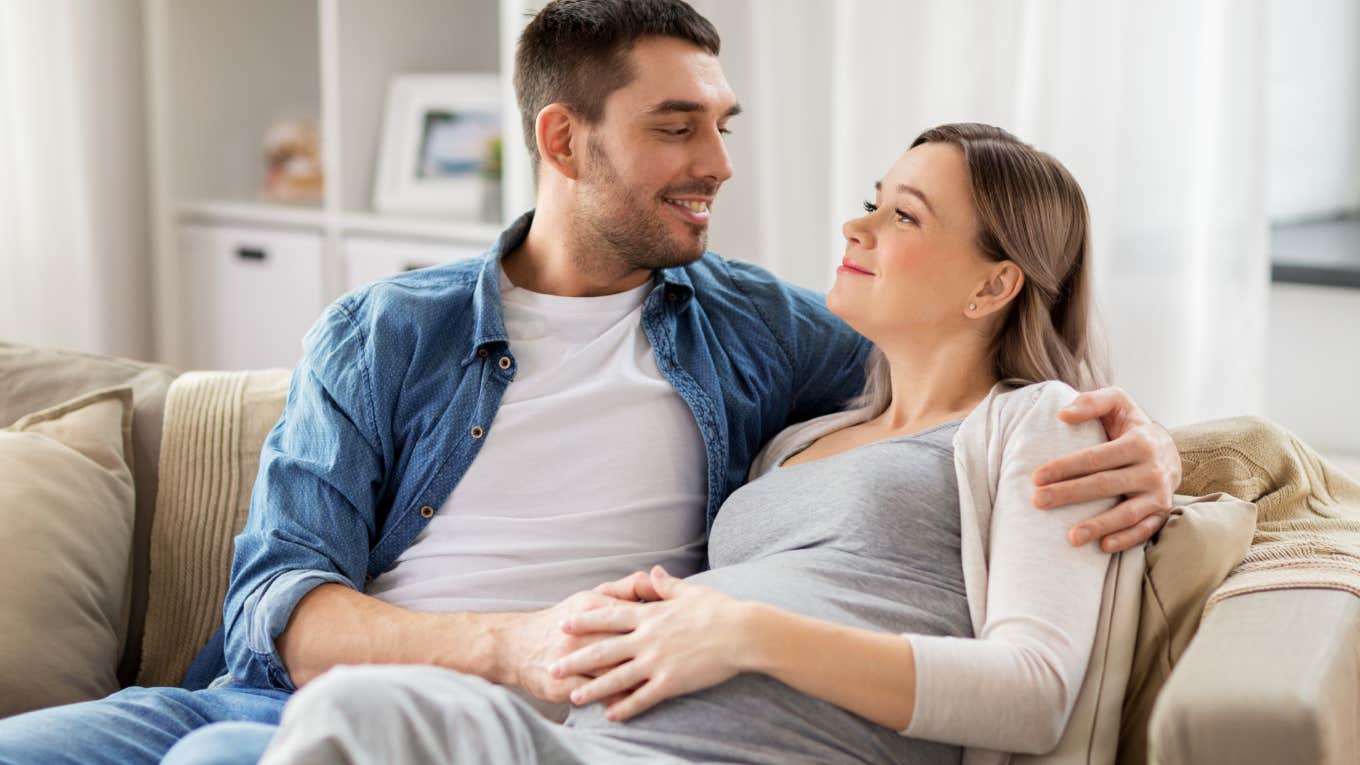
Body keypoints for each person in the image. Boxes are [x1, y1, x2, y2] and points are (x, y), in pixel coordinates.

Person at [0, 3, 1178, 764]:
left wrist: (1156, 448)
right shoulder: (385, 330)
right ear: (564, 142)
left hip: (548, 729)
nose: (719, 164)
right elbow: (274, 607)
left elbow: (986, 385)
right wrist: (514, 643)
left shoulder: (764, 334)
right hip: (294, 697)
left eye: (722, 123)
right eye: (677, 129)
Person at [250, 120, 1128, 765]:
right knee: (357, 711)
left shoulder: (1037, 420)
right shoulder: (812, 427)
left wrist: (743, 631)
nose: (857, 229)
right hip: (584, 743)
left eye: (905, 217)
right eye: (872, 203)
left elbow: (1034, 692)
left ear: (994, 284)